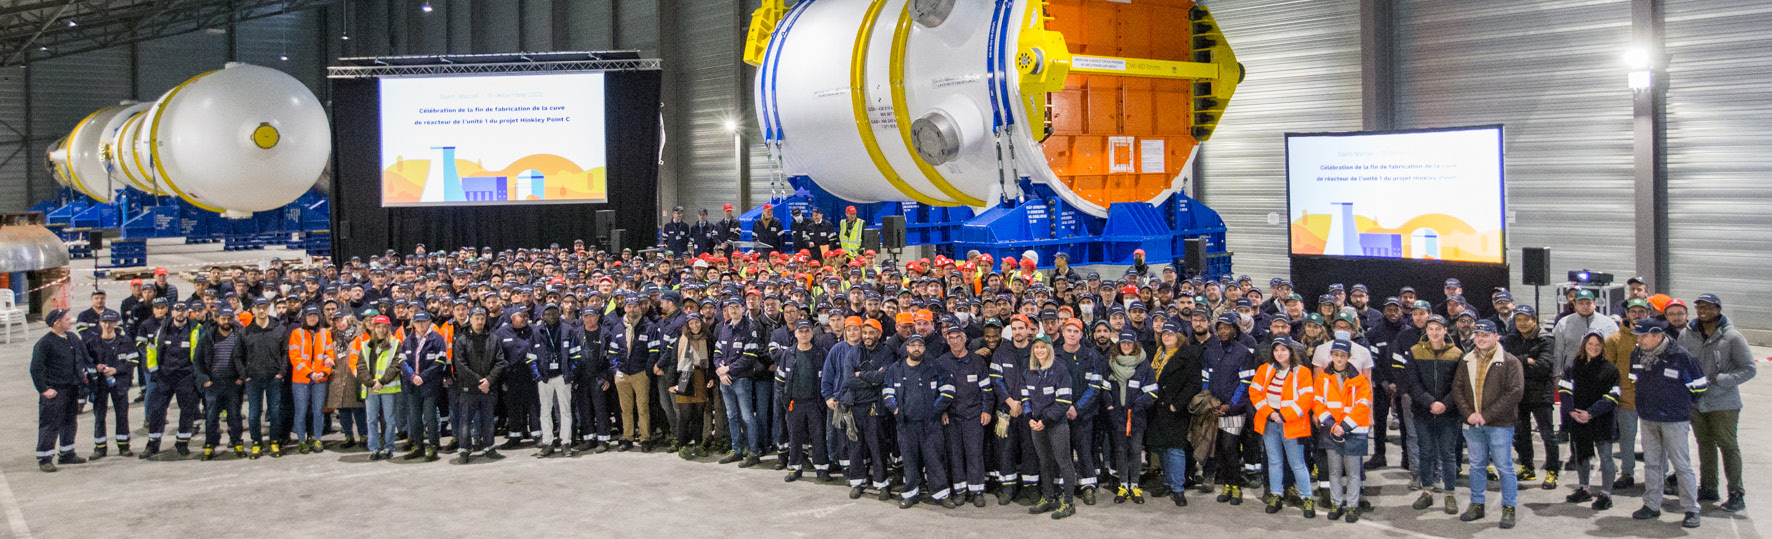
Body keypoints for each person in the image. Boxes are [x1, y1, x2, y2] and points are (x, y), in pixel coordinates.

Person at [1679, 294, 1755, 512]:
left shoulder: (1732, 337)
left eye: (1708, 307)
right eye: (1699, 307)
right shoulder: (1686, 335)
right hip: (1696, 402)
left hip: (1724, 403)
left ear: (1718, 309)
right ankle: (1709, 487)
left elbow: (1749, 368)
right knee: (1705, 445)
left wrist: (1721, 380)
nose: (1702, 310)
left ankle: (1736, 493)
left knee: (1728, 446)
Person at [1630, 318, 1705, 529]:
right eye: (1638, 336)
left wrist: (1676, 404)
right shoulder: (1636, 354)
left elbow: (1699, 387)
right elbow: (1633, 379)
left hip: (1674, 419)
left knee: (1681, 465)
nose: (1640, 340)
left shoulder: (1681, 357)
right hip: (1647, 417)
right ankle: (1652, 505)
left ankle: (1691, 509)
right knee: (1653, 464)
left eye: (1644, 336)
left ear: (1658, 335)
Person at [1451, 319, 1523, 529]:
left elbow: (1515, 392)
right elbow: (1457, 388)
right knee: (1476, 466)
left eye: (1485, 335)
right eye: (1478, 335)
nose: (1480, 339)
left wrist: (1487, 415)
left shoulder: (1510, 361)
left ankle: (1509, 508)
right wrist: (1469, 414)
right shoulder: (1466, 360)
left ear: (1496, 337)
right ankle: (1477, 504)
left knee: (1504, 467)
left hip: (1499, 424)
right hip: (1473, 424)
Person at [882, 333, 956, 509]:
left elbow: (948, 390)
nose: (916, 348)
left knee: (934, 460)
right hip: (906, 424)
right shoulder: (896, 368)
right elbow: (887, 391)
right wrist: (895, 409)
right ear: (907, 348)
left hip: (930, 424)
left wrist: (935, 410)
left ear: (924, 348)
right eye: (913, 345)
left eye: (920, 345)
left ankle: (941, 494)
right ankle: (910, 493)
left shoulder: (934, 366)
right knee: (909, 461)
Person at [1252, 337, 1315, 518]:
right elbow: (1255, 393)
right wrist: (1269, 413)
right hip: (1269, 422)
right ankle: (1275, 495)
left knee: (1297, 463)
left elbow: (1306, 400)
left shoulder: (1301, 372)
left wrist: (1284, 415)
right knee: (1274, 461)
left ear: (1290, 352)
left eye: (1283, 350)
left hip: (1292, 425)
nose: (1279, 353)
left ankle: (1307, 498)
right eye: (1276, 350)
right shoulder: (1265, 370)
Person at [1405, 315, 1462, 514]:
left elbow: (1459, 385)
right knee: (1426, 452)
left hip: (1449, 413)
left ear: (1445, 330)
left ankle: (1449, 494)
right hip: (1423, 412)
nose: (1435, 332)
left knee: (1448, 453)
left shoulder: (1457, 353)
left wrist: (1444, 404)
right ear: (1426, 331)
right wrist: (1430, 402)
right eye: (1431, 329)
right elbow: (1413, 383)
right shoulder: (1415, 352)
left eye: (1438, 328)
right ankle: (1427, 491)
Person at [1561, 331, 1620, 511]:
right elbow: (1564, 390)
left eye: (1598, 345)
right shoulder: (1572, 367)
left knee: (1606, 457)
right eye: (1590, 344)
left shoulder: (1611, 369)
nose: (1594, 348)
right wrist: (1572, 412)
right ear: (1584, 345)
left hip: (1601, 419)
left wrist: (1591, 413)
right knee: (1582, 455)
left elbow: (1613, 397)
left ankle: (1606, 495)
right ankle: (1584, 488)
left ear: (1603, 347)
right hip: (1578, 418)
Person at [1501, 305, 1558, 489]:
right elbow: (1506, 364)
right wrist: (1527, 359)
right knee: (1521, 433)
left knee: (1547, 435)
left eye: (1526, 319)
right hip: (1519, 393)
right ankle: (1527, 467)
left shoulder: (1546, 339)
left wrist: (1519, 362)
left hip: (1541, 394)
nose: (1522, 323)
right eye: (1519, 319)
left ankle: (1552, 471)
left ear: (1535, 319)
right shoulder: (1511, 339)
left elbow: (1543, 367)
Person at [1148, 319, 1202, 506]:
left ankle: (1178, 488)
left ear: (1179, 336)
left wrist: (1177, 404)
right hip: (1157, 408)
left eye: (1171, 333)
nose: (1167, 336)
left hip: (1174, 408)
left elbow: (1194, 383)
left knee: (1175, 448)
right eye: (1164, 334)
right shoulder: (1157, 355)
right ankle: (1167, 482)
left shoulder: (1187, 356)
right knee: (1162, 447)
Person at [1023, 337, 1079, 519]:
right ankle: (1048, 498)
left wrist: (1045, 421)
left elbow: (1064, 401)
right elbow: (1025, 397)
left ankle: (1069, 503)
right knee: (1044, 462)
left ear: (1049, 349)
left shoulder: (1060, 370)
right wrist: (1029, 417)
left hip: (1056, 425)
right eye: (1036, 347)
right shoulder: (1030, 371)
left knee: (1064, 462)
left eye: (1043, 347)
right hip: (1037, 425)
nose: (1039, 351)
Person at [1317, 340, 1372, 523]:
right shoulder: (1323, 378)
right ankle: (1336, 504)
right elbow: (1318, 403)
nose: (1339, 359)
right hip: (1332, 430)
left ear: (1349, 357)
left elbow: (1363, 405)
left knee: (1353, 472)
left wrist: (1344, 426)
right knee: (1334, 471)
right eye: (1336, 355)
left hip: (1352, 432)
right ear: (1331, 355)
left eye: (1343, 355)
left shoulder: (1360, 380)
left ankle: (1352, 506)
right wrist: (1333, 425)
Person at [937, 323, 991, 506]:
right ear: (947, 340)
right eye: (951, 338)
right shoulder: (942, 362)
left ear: (965, 338)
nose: (955, 341)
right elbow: (937, 391)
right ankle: (960, 490)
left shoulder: (977, 361)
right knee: (955, 454)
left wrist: (986, 410)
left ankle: (977, 491)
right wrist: (942, 410)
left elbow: (986, 389)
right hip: (952, 417)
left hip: (974, 416)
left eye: (958, 337)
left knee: (975, 453)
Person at [141, 300, 203, 458]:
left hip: (186, 376)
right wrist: (154, 370)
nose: (180, 313)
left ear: (187, 312)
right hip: (165, 375)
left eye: (183, 310)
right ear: (172, 312)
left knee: (187, 410)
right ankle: (152, 444)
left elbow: (202, 353)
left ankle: (182, 442)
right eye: (177, 310)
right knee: (157, 410)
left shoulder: (196, 329)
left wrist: (198, 374)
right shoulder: (162, 329)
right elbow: (151, 349)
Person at [31, 309, 89, 472]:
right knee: (50, 423)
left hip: (71, 388)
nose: (70, 320)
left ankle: (67, 453)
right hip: (55, 391)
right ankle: (45, 457)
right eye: (66, 319)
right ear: (56, 322)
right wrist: (44, 389)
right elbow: (36, 369)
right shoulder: (45, 343)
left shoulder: (72, 338)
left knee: (70, 421)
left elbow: (83, 357)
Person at [777, 319, 831, 482]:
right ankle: (795, 468)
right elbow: (779, 380)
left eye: (807, 331)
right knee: (795, 437)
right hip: (795, 403)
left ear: (812, 333)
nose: (804, 334)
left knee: (818, 437)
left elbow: (827, 379)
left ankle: (822, 469)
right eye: (801, 331)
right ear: (796, 334)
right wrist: (785, 400)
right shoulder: (788, 354)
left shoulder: (821, 353)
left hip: (815, 403)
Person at [1604, 298, 1649, 490]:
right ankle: (1627, 473)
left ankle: (1659, 476)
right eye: (1634, 311)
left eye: (1641, 311)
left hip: (1651, 398)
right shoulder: (1615, 339)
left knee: (1654, 441)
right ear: (1627, 314)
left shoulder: (1654, 336)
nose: (1637, 315)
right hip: (1626, 398)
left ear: (1647, 313)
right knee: (1627, 440)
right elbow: (1608, 369)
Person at [451, 307, 506, 463]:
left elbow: (500, 362)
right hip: (468, 389)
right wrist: (479, 381)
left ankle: (489, 447)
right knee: (465, 422)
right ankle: (464, 450)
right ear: (471, 319)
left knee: (488, 420)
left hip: (488, 387)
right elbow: (460, 365)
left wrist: (488, 380)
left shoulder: (493, 339)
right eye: (477, 318)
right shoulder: (462, 339)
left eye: (482, 318)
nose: (480, 321)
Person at [237, 299, 290, 458]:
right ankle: (256, 443)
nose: (262, 311)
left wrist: (281, 372)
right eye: (258, 308)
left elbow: (285, 353)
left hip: (274, 378)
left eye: (265, 308)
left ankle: (274, 442)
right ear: (252, 310)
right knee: (254, 414)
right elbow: (238, 356)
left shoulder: (279, 329)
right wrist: (245, 375)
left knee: (275, 412)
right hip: (253, 379)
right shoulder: (245, 331)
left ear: (269, 309)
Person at [715, 298, 764, 465]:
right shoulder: (725, 328)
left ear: (743, 308)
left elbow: (749, 357)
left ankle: (753, 453)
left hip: (741, 379)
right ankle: (736, 450)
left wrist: (728, 369)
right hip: (725, 380)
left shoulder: (750, 328)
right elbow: (717, 353)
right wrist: (721, 372)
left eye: (736, 307)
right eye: (730, 307)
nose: (733, 310)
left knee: (747, 417)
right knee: (732, 416)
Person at [83, 311, 138, 458]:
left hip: (119, 383)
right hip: (100, 384)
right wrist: (96, 368)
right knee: (99, 415)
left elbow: (134, 361)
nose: (108, 325)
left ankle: (124, 446)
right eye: (105, 322)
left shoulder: (125, 341)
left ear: (115, 323)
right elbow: (86, 363)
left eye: (111, 322)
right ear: (100, 323)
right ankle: (100, 447)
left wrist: (117, 369)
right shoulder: (91, 343)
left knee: (122, 414)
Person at [193, 308, 246, 460]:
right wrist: (205, 379)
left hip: (233, 382)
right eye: (223, 319)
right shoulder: (207, 336)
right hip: (213, 383)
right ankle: (210, 444)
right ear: (217, 318)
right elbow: (197, 360)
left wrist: (241, 378)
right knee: (211, 416)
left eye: (229, 318)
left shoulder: (239, 335)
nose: (227, 322)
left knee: (235, 415)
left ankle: (237, 442)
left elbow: (246, 356)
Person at [608, 295, 657, 452]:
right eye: (629, 306)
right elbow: (612, 352)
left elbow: (654, 352)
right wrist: (616, 370)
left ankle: (645, 438)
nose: (632, 309)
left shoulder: (649, 327)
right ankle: (628, 437)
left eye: (635, 306)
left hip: (640, 373)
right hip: (622, 375)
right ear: (625, 308)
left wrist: (647, 371)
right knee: (625, 409)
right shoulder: (618, 328)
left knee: (642, 408)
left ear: (639, 307)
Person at [398, 311, 447, 461]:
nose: (420, 325)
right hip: (412, 385)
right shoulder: (408, 340)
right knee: (414, 417)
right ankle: (418, 445)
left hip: (430, 385)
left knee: (430, 416)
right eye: (417, 322)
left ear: (429, 322)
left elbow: (440, 362)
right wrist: (413, 376)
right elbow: (402, 361)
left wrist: (423, 377)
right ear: (413, 323)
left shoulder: (437, 339)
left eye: (423, 322)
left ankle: (433, 446)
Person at [530, 304, 576, 458]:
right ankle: (548, 443)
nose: (551, 316)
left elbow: (575, 355)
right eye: (547, 313)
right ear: (542, 315)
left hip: (563, 377)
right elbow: (531, 358)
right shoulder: (537, 332)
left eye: (554, 313)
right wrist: (537, 375)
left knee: (565, 410)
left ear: (559, 313)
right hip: (544, 378)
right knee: (545, 411)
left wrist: (570, 373)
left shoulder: (567, 330)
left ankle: (565, 443)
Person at [355, 315, 404, 460]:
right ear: (373, 328)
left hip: (387, 387)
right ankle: (374, 448)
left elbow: (396, 365)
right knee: (371, 420)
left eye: (384, 327)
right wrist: (371, 383)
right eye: (378, 327)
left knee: (389, 419)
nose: (381, 330)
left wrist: (381, 381)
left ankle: (389, 447)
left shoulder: (395, 343)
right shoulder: (365, 345)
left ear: (388, 328)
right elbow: (361, 366)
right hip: (371, 388)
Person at [287, 306, 334, 454]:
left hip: (320, 379)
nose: (312, 318)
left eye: (315, 315)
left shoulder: (325, 333)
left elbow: (330, 356)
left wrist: (324, 372)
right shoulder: (297, 333)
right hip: (301, 379)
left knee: (318, 411)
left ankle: (318, 439)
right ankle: (302, 441)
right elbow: (295, 357)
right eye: (309, 315)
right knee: (301, 411)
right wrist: (309, 373)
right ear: (304, 317)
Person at [669, 312, 715, 460]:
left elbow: (712, 360)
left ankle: (698, 444)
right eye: (691, 323)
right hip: (684, 376)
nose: (695, 326)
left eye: (697, 322)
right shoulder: (681, 339)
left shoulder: (707, 339)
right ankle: (682, 446)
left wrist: (711, 377)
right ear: (687, 325)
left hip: (701, 376)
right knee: (685, 415)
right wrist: (671, 383)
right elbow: (673, 361)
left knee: (699, 415)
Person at [324, 311, 367, 449]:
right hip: (337, 377)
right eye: (336, 321)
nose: (339, 323)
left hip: (354, 377)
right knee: (343, 410)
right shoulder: (332, 336)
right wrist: (326, 358)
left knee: (359, 408)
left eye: (341, 319)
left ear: (348, 319)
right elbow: (324, 351)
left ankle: (364, 435)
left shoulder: (359, 334)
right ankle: (348, 436)